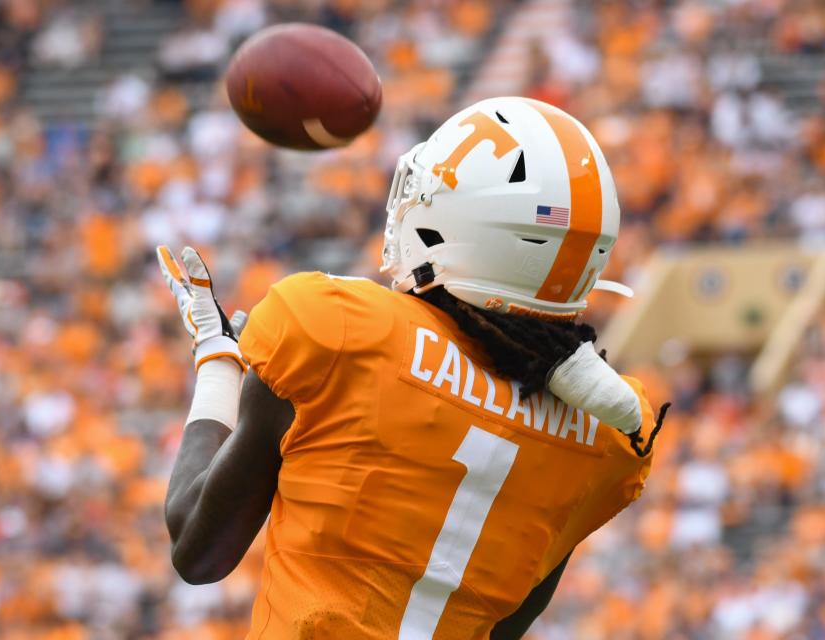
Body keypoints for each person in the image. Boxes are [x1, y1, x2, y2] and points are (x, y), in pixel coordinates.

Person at [158, 97, 668, 639]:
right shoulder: (606, 425)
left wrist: (218, 359)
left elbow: (199, 550)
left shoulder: (336, 329)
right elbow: (503, 625)